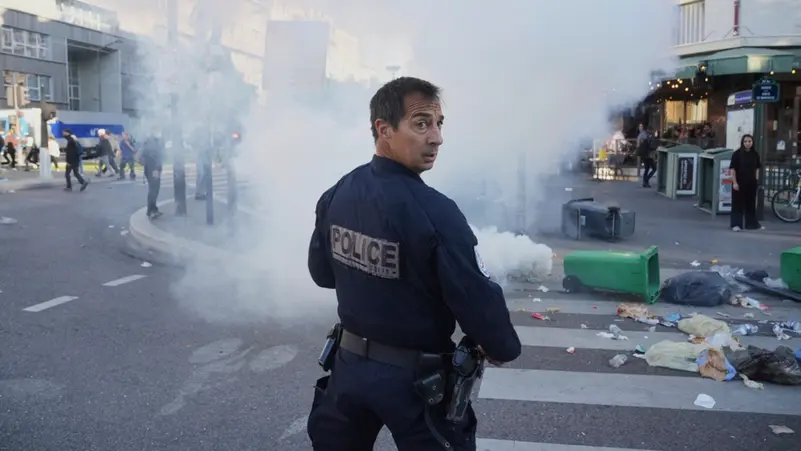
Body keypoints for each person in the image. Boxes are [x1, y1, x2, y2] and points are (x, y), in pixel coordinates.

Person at [305, 76, 521, 450]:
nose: (437, 138)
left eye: (438, 124)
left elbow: (322, 274)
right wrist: (501, 346)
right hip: (417, 383)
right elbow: (475, 298)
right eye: (421, 124)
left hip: (348, 370)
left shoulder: (338, 192)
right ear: (383, 129)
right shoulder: (437, 213)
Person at [729, 133, 764, 231]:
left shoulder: (755, 154)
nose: (747, 143)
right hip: (739, 182)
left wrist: (756, 179)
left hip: (751, 182)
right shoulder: (737, 154)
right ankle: (736, 224)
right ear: (742, 142)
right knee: (737, 204)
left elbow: (757, 168)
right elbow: (733, 169)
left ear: (752, 142)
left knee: (751, 204)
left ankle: (752, 224)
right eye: (745, 141)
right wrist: (734, 182)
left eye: (749, 141)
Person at [141, 127, 164, 219]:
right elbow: (148, 154)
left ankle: (153, 209)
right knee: (154, 189)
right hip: (153, 168)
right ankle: (151, 210)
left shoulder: (153, 141)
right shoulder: (150, 142)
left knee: (155, 189)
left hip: (153, 168)